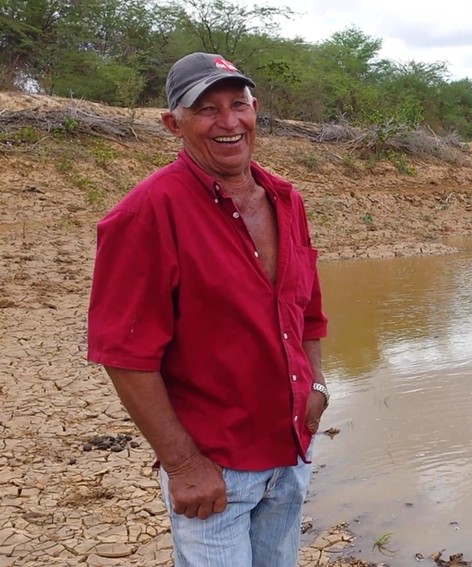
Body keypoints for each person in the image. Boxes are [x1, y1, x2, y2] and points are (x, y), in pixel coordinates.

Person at [86, 52, 329, 567]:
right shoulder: (146, 213)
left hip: (290, 453)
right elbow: (124, 354)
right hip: (214, 471)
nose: (228, 122)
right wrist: (183, 464)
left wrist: (318, 383)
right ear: (173, 123)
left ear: (255, 109)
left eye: (237, 104)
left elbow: (309, 312)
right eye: (206, 109)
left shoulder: (287, 199)